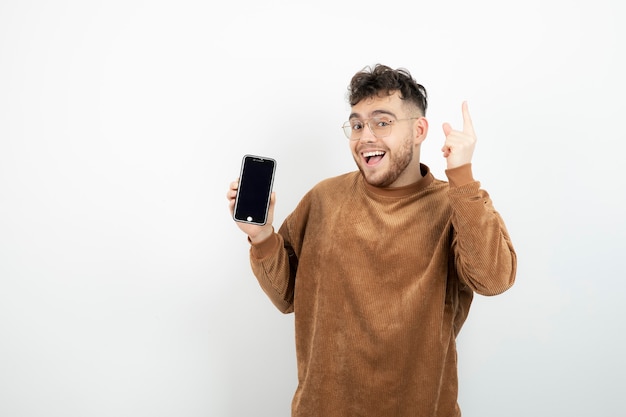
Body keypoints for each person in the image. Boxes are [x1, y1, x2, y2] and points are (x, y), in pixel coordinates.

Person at [226, 64, 517, 417]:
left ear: (419, 130)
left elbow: (493, 280)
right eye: (358, 124)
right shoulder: (324, 198)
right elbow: (288, 298)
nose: (365, 136)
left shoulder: (454, 202)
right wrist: (262, 236)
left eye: (382, 122)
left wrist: (462, 176)